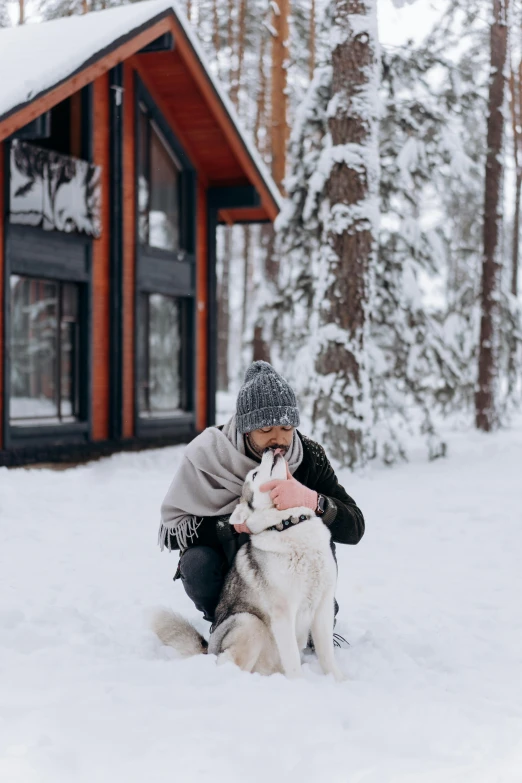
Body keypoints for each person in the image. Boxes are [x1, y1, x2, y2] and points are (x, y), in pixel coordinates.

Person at [159, 361, 365, 626]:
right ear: (246, 428)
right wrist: (235, 525)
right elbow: (177, 535)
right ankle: (227, 621)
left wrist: (311, 501)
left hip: (291, 568)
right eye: (265, 430)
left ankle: (311, 620)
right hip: (232, 567)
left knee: (318, 534)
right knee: (196, 562)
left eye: (287, 429)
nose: (278, 439)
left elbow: (355, 527)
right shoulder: (207, 456)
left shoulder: (308, 457)